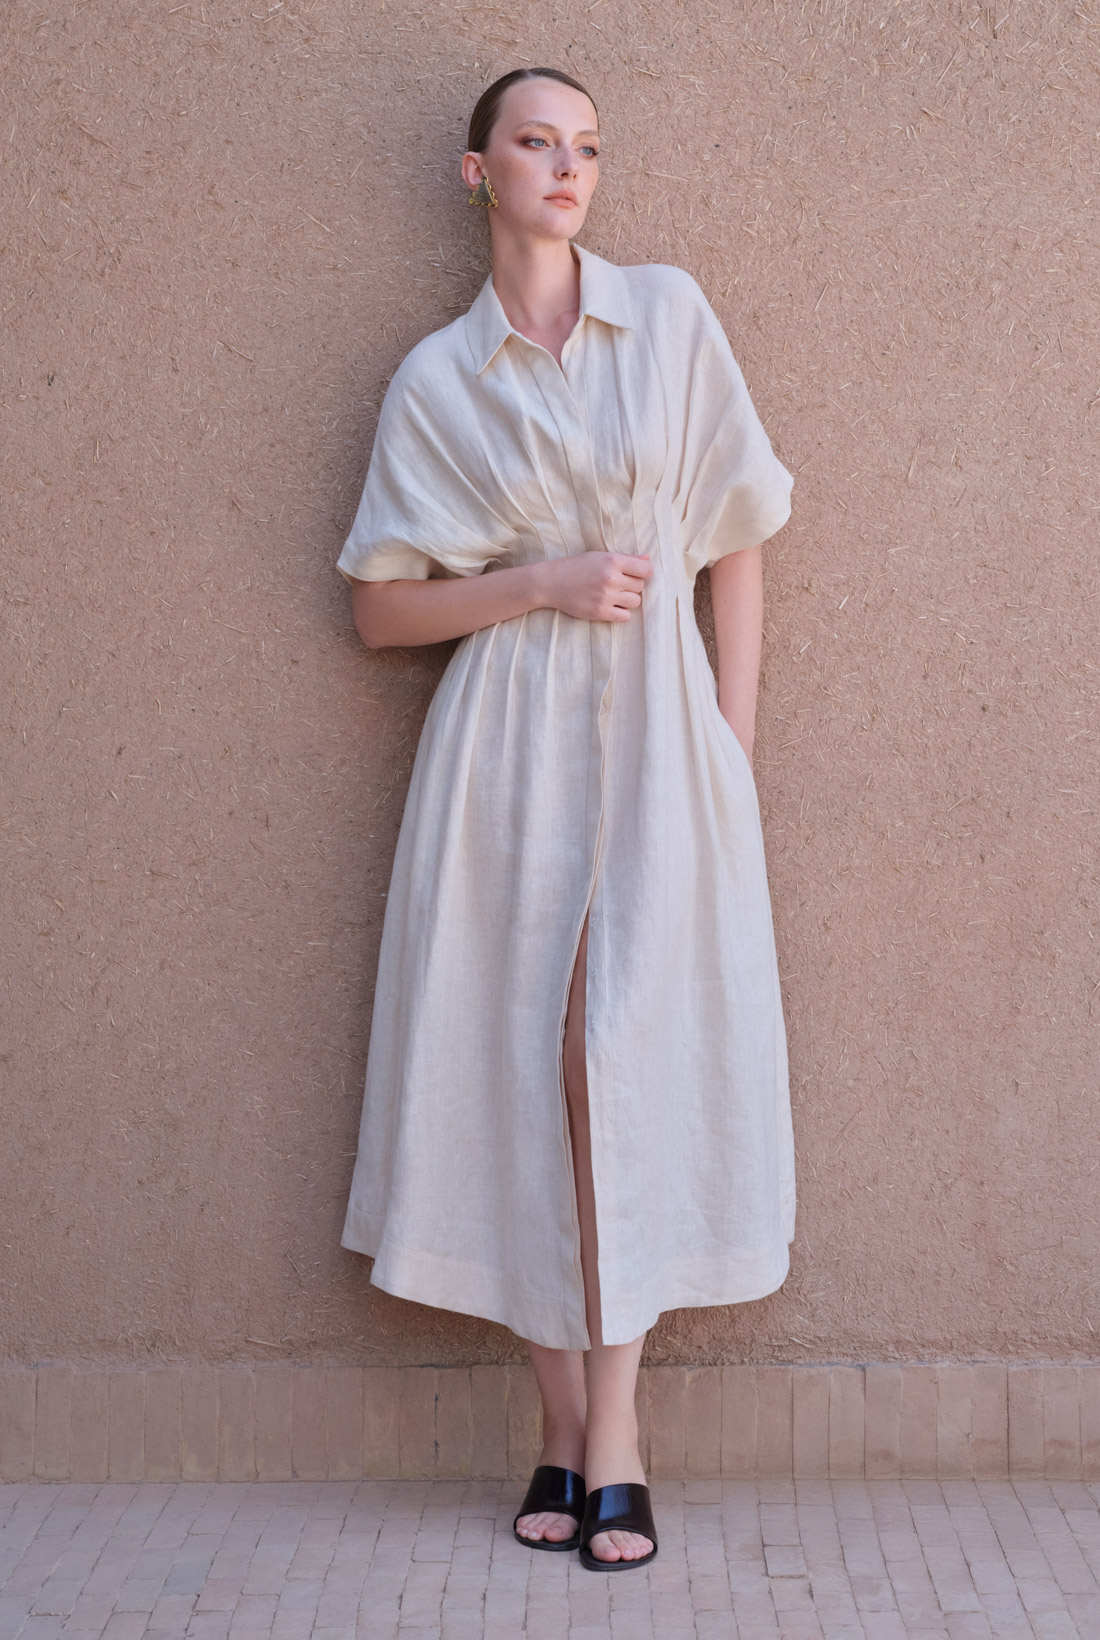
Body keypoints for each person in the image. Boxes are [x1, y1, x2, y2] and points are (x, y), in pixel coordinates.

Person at [336, 66, 796, 1571]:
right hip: (506, 755)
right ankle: (566, 1428)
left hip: (662, 742)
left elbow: (737, 532)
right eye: (536, 142)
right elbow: (381, 610)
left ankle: (617, 1431)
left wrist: (728, 743)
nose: (567, 167)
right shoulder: (438, 378)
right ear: (480, 170)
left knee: (620, 1067)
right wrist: (539, 582)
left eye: (587, 146)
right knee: (518, 1073)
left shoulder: (668, 316)